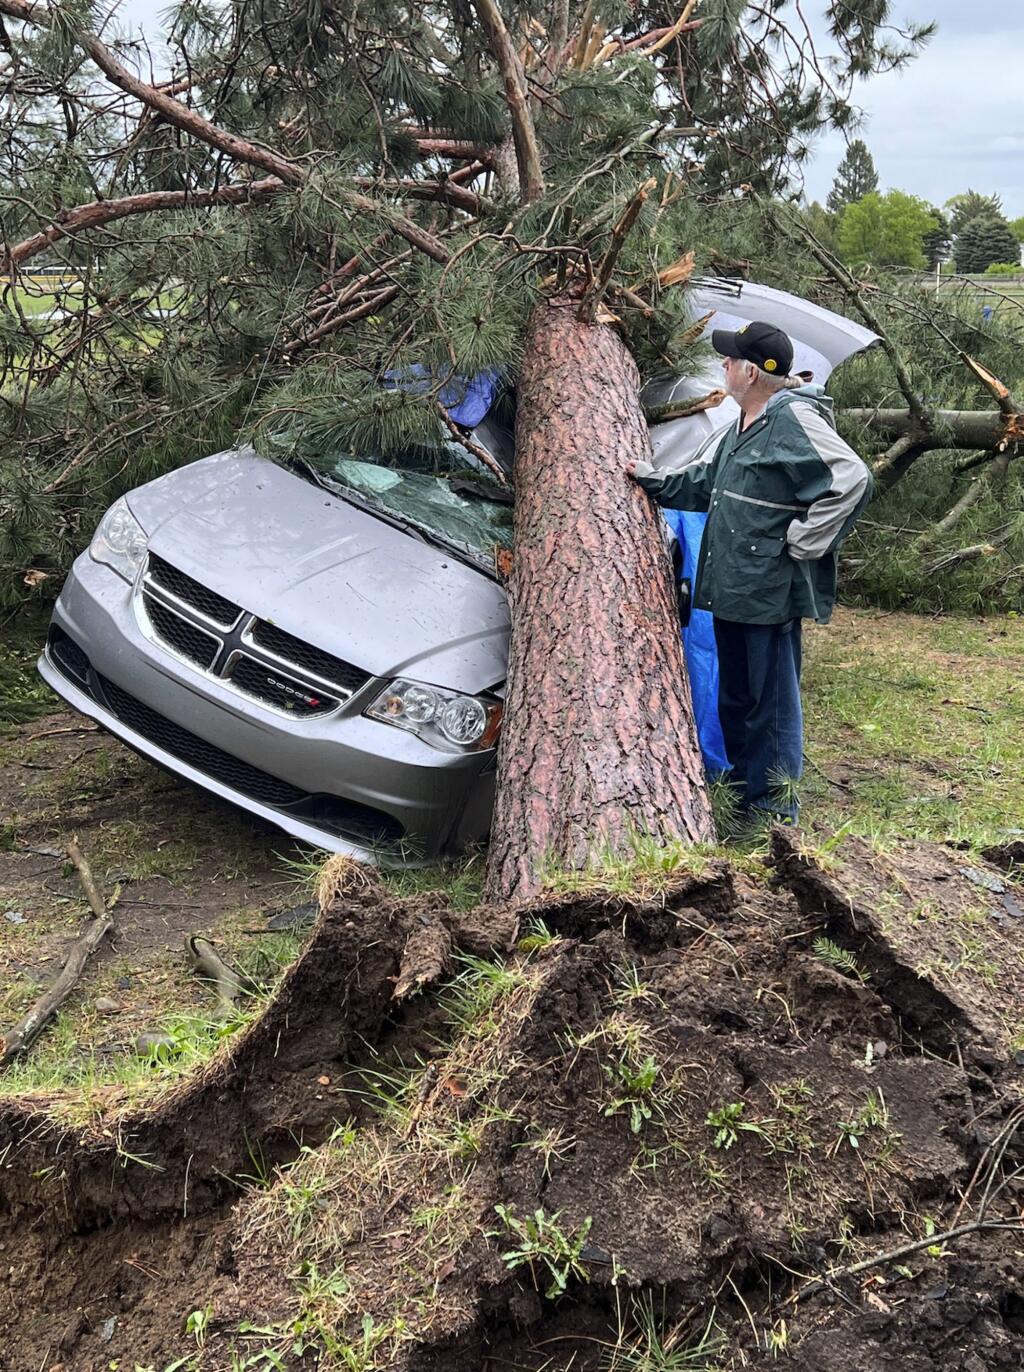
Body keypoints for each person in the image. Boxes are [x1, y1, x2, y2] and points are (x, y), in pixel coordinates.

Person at [627, 321, 872, 830]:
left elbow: (851, 478)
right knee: (736, 699)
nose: (723, 365)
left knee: (771, 706)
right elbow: (706, 484)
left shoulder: (792, 416)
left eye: (731, 359)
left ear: (756, 372)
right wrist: (650, 481)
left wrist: (806, 540)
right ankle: (742, 798)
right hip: (732, 587)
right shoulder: (742, 422)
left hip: (768, 591)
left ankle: (774, 813)